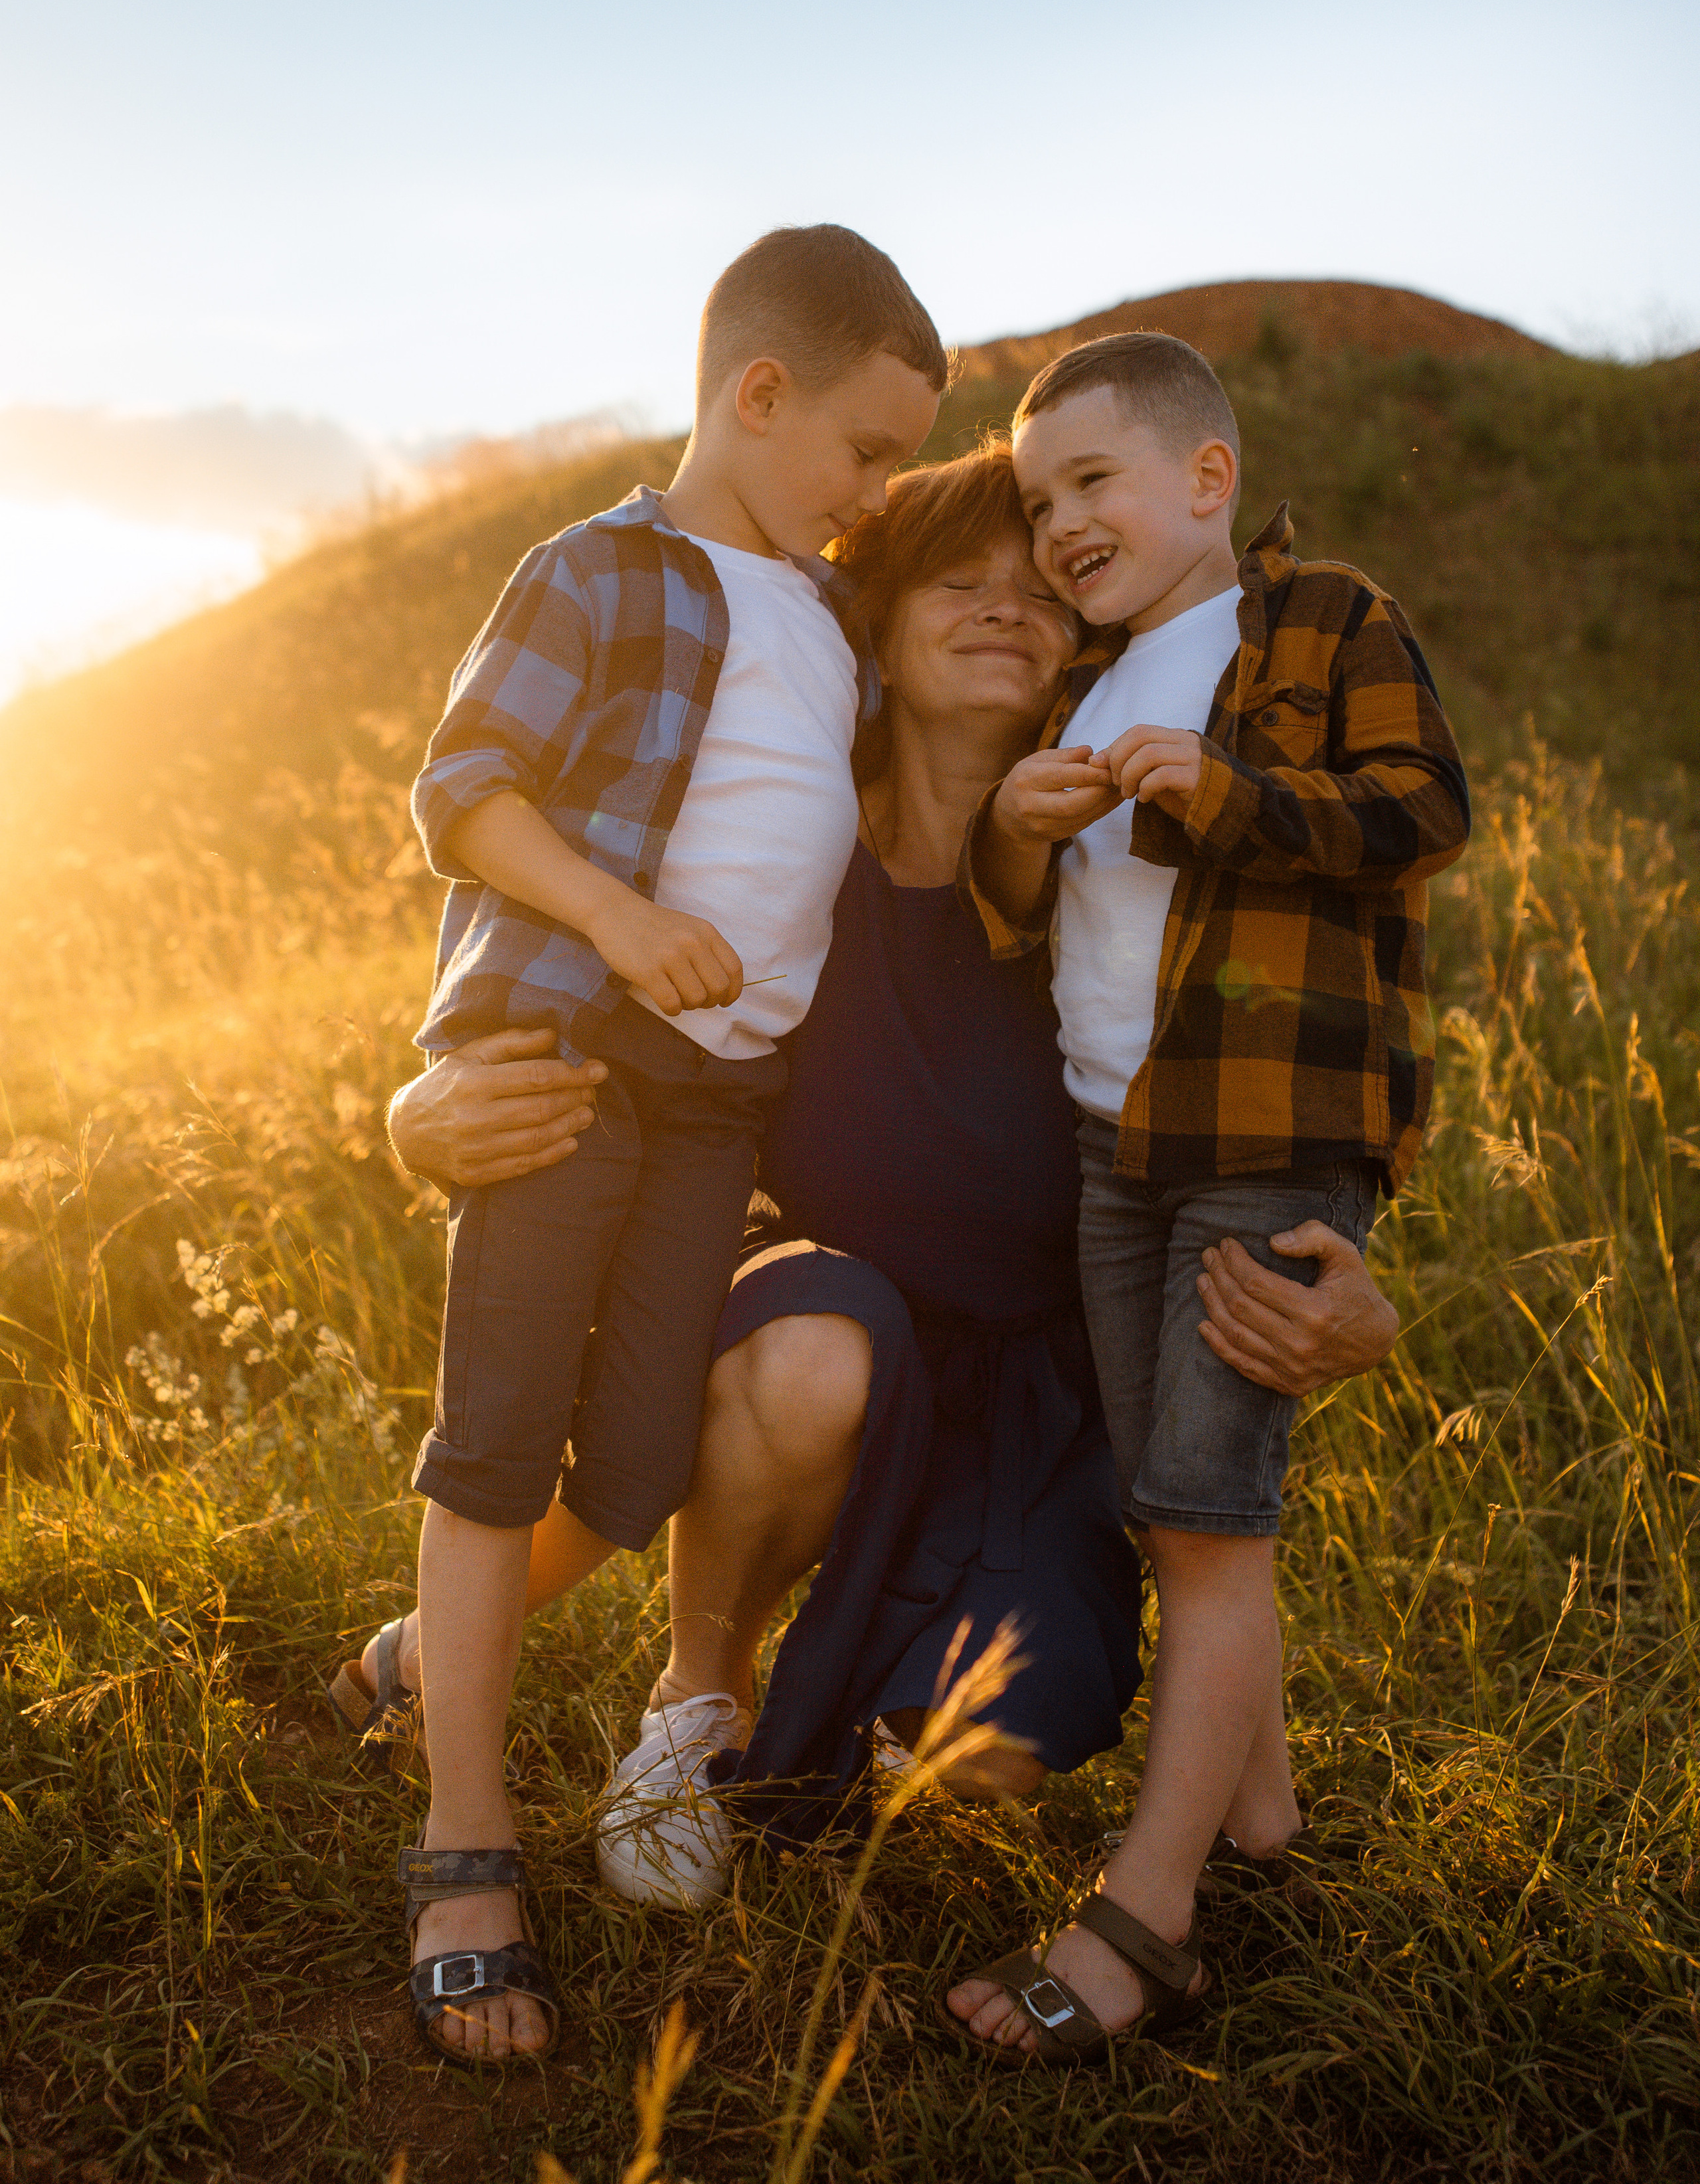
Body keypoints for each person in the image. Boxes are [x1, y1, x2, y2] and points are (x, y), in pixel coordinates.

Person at [348, 446, 1402, 2021]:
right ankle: (696, 1696)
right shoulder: (785, 846)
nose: (1002, 608)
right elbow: (578, 990)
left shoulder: (1127, 863)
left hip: (1043, 1386)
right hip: (818, 1325)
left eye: (1038, 592)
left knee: (985, 1754)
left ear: (1077, 647)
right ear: (872, 619)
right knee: (815, 1348)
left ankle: (452, 1645)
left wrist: (1370, 1303)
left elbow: (1288, 1093)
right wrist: (412, 1115)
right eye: (954, 581)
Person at [384, 224, 942, 2064]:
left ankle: (410, 1657)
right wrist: (619, 926)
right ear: (756, 392)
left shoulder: (830, 612)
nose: (875, 495)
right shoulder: (611, 567)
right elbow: (462, 785)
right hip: (574, 1052)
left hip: (716, 1099)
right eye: (864, 449)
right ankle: (467, 1851)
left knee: (626, 1470)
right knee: (496, 1449)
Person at [946, 330, 1469, 2064]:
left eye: (1090, 481)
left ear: (1205, 479)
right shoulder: (1084, 687)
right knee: (1178, 1508)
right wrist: (1015, 829)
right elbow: (1028, 920)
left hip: (1266, 1134)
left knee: (1213, 1513)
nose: (1060, 524)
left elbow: (1423, 806)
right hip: (1119, 1145)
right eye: (1038, 502)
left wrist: (1233, 794)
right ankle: (1262, 1824)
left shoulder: (1310, 622)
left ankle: (1143, 1919)